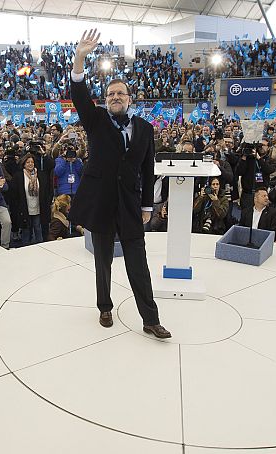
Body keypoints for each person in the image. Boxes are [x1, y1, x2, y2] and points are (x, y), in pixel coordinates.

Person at [68, 29, 169, 338]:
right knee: (103, 263)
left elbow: (148, 169)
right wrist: (81, 57)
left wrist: (147, 206)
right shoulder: (95, 119)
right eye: (110, 94)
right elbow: (79, 94)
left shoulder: (144, 128)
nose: (114, 97)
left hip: (130, 206)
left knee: (138, 263)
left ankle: (150, 319)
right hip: (100, 204)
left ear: (129, 99)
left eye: (120, 94)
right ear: (106, 100)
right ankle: (104, 307)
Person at [13, 153, 52, 245]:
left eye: (32, 162)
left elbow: (46, 191)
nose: (30, 164)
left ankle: (41, 247)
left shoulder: (41, 175)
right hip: (25, 208)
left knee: (38, 228)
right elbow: (15, 194)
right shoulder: (18, 176)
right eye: (28, 162)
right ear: (24, 164)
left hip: (38, 207)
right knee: (26, 230)